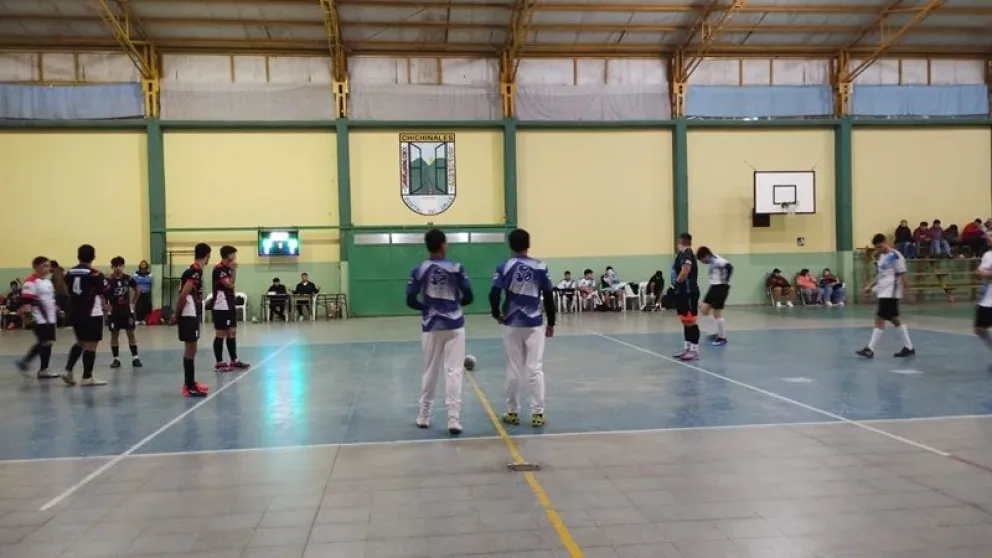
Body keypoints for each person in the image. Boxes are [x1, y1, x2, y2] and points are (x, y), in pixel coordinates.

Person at [406, 228, 473, 435]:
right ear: (443, 244)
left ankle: (424, 416)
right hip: (454, 325)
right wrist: (455, 305)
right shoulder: (456, 268)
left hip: (431, 326)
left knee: (430, 371)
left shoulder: (419, 270)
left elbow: (410, 300)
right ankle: (453, 420)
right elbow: (469, 296)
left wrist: (426, 309)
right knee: (454, 372)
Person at [491, 228, 555, 427]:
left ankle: (512, 413)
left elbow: (494, 294)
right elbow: (549, 296)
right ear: (529, 244)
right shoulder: (540, 266)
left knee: (514, 368)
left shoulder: (504, 267)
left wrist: (496, 314)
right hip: (535, 323)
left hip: (511, 323)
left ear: (510, 245)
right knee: (535, 368)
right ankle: (537, 414)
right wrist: (551, 322)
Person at [857, 233, 915, 359]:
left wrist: (907, 291)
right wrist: (870, 286)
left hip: (891, 293)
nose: (879, 249)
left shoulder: (895, 256)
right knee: (894, 319)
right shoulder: (881, 257)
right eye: (876, 248)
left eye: (880, 246)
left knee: (879, 318)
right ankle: (909, 347)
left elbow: (903, 273)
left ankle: (870, 349)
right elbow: (880, 275)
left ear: (886, 242)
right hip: (883, 292)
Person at [62, 244, 108, 387]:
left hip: (75, 312)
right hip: (91, 312)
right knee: (91, 345)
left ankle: (68, 370)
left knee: (80, 342)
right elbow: (104, 291)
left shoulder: (69, 273)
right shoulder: (95, 274)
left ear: (78, 256)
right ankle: (87, 377)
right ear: (93, 256)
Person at [171, 243, 211, 397]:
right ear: (207, 255)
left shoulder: (195, 270)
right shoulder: (194, 272)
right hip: (188, 313)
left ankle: (191, 382)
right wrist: (176, 314)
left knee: (193, 349)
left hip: (192, 312)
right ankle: (188, 386)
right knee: (190, 349)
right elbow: (183, 294)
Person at [16, 256, 60, 378]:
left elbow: (49, 299)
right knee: (46, 341)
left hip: (50, 318)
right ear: (36, 267)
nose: (48, 268)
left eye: (48, 266)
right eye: (45, 266)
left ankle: (42, 369)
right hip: (39, 317)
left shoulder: (48, 282)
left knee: (48, 342)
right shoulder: (30, 282)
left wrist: (55, 307)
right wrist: (27, 315)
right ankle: (27, 363)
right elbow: (27, 300)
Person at [212, 245, 250, 371]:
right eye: (234, 255)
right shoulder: (219, 269)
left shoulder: (228, 269)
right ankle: (219, 362)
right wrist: (234, 271)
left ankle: (234, 360)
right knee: (221, 333)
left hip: (229, 304)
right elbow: (228, 284)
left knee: (232, 332)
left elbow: (232, 286)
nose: (235, 257)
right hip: (221, 306)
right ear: (228, 256)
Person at [106, 257, 143, 369]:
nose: (118, 268)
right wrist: (106, 305)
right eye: (116, 266)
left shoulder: (128, 278)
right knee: (114, 335)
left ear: (123, 266)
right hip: (114, 312)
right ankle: (116, 359)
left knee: (130, 333)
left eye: (120, 265)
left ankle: (135, 357)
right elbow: (102, 293)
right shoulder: (108, 280)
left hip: (126, 311)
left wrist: (133, 303)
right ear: (112, 267)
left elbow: (138, 289)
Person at [672, 233, 701, 361]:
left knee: (691, 321)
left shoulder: (687, 253)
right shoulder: (681, 254)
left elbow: (685, 270)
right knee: (685, 320)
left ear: (681, 241)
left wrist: (677, 283)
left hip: (689, 291)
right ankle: (687, 348)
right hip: (682, 292)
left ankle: (694, 350)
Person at [696, 247, 732, 346]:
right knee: (704, 309)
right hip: (713, 287)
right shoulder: (712, 261)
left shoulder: (718, 260)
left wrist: (725, 281)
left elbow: (729, 267)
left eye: (702, 260)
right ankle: (715, 331)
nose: (703, 262)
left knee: (717, 312)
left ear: (706, 256)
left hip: (720, 287)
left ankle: (722, 337)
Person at [973, 234, 992, 356]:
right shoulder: (988, 255)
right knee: (979, 329)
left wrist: (987, 273)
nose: (989, 238)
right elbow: (978, 273)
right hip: (988, 299)